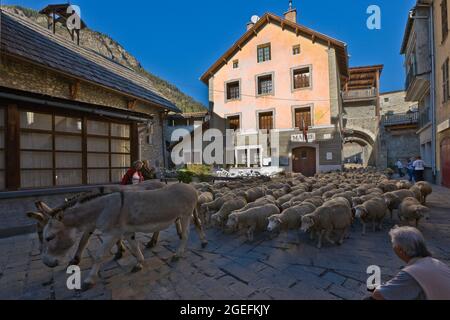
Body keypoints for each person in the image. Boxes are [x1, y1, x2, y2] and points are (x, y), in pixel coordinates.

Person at [371, 226, 450, 300]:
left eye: (393, 244)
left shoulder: (413, 272)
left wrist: (380, 286)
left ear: (400, 249)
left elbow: (378, 294)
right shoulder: (436, 262)